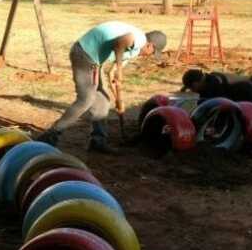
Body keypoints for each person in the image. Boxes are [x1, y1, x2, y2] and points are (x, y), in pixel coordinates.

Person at [37, 22, 167, 154]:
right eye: (152, 52)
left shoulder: (134, 51)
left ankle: (98, 141)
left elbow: (112, 74)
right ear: (150, 45)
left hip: (95, 61)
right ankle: (51, 135)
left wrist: (118, 97)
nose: (149, 55)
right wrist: (120, 70)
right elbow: (120, 42)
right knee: (86, 99)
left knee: (103, 101)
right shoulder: (139, 38)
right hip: (85, 55)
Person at [181, 69, 252, 104]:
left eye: (191, 87)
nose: (192, 90)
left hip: (248, 93)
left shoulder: (214, 83)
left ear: (196, 83)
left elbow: (223, 102)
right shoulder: (205, 83)